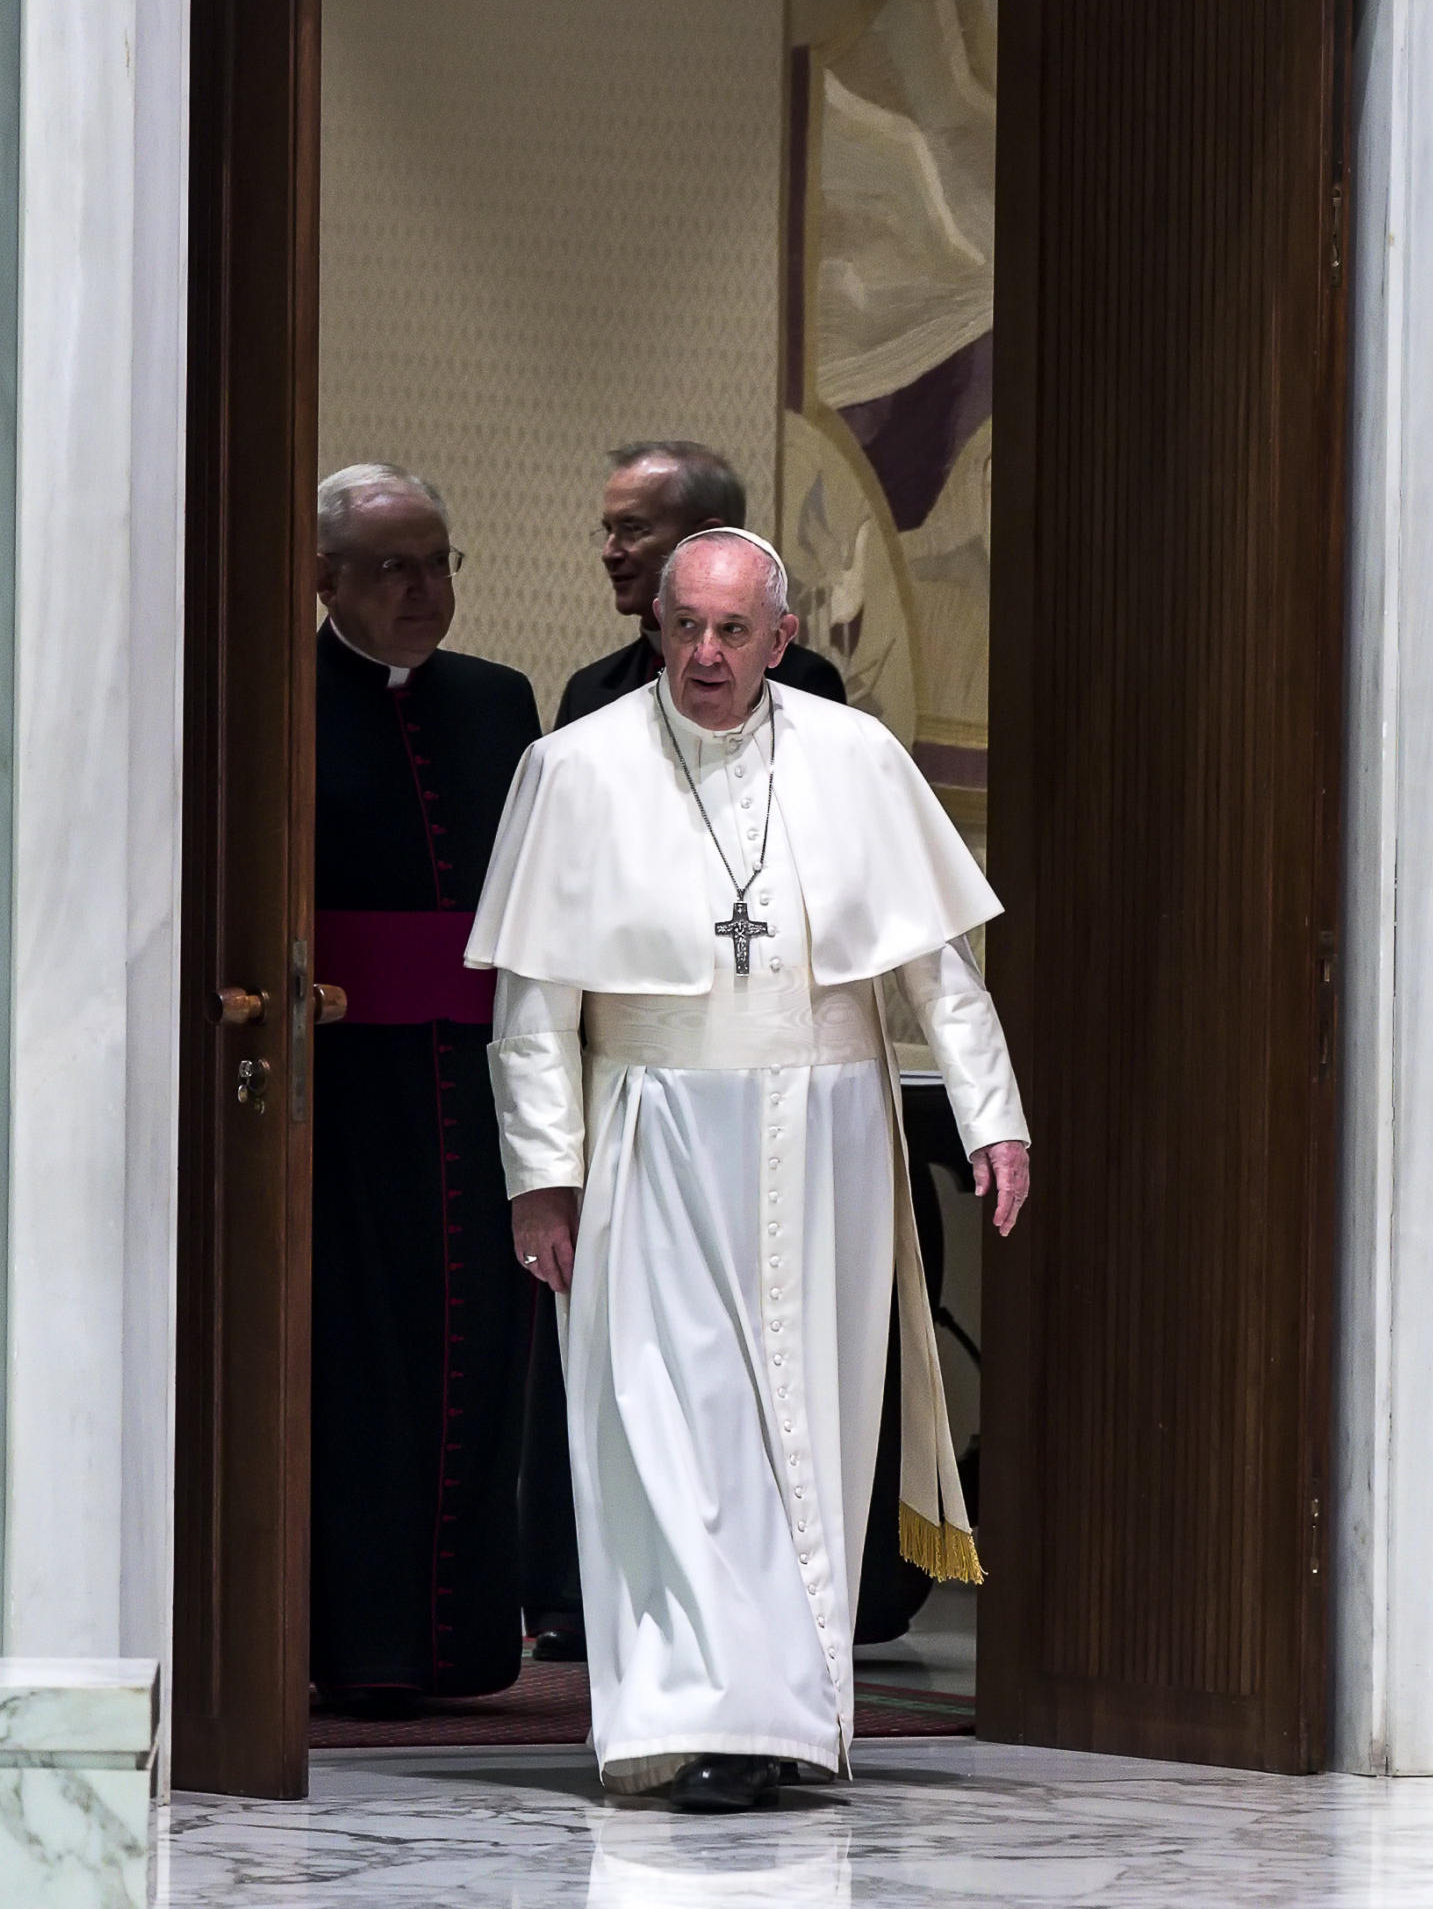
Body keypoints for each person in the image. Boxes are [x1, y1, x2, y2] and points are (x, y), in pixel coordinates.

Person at [470, 528, 1034, 1811]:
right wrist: (540, 1175)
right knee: (674, 1423)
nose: (707, 654)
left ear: (783, 639)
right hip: (652, 1133)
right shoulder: (575, 767)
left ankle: (785, 1716)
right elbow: (532, 999)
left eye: (734, 631)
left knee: (807, 1424)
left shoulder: (856, 758)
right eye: (686, 628)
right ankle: (686, 1713)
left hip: (824, 1126)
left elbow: (937, 965)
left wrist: (996, 1115)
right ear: (656, 628)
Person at [308, 462, 547, 1709]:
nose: (425, 588)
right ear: (325, 578)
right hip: (336, 1097)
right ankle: (358, 1648)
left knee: (481, 1348)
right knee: (361, 1364)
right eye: (395, 565)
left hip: (480, 1084)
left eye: (441, 560)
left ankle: (462, 1645)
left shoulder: (499, 702)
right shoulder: (280, 694)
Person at [554, 441, 850, 728]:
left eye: (632, 529)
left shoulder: (801, 684)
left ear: (708, 535)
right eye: (608, 530)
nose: (610, 552)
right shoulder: (589, 690)